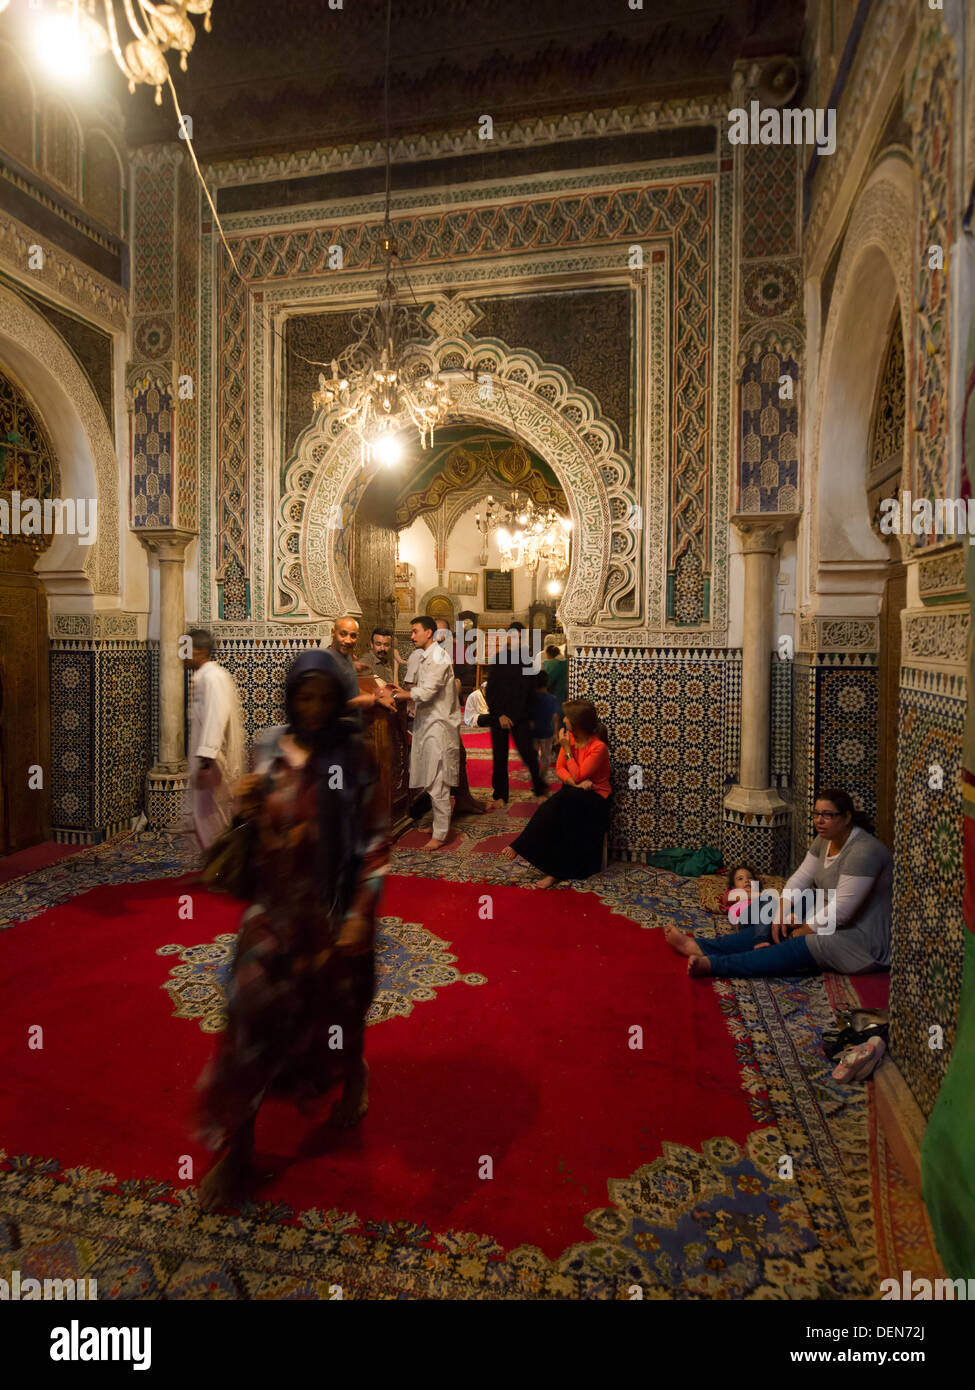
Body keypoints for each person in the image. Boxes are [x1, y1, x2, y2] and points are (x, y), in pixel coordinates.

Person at [195, 651, 389, 1211]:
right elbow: (255, 825)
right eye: (302, 697)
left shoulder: (354, 758)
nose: (311, 708)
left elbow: (374, 842)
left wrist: (358, 915)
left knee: (337, 1015)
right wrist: (249, 805)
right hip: (271, 915)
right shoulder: (270, 744)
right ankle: (238, 1149)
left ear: (336, 700)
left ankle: (354, 1075)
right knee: (248, 1019)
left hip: (330, 916)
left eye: (323, 698)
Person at [664, 788, 893, 979]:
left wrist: (802, 930)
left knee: (795, 943)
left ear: (846, 818)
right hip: (828, 917)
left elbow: (842, 910)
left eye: (828, 815)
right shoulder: (825, 840)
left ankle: (715, 965)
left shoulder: (863, 851)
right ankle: (702, 947)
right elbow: (800, 878)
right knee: (777, 919)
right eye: (816, 814)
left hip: (859, 940)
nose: (819, 821)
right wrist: (781, 912)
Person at [500, 699, 612, 889]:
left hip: (596, 798)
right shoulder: (571, 739)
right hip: (575, 792)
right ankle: (551, 867)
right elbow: (560, 769)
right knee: (557, 807)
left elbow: (578, 773)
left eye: (567, 717)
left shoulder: (598, 747)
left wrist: (567, 749)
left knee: (557, 802)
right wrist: (574, 784)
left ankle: (522, 847)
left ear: (577, 723)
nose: (564, 720)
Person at [391, 616, 462, 849]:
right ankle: (437, 824)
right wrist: (400, 690)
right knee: (431, 778)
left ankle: (440, 834)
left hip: (439, 728)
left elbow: (428, 692)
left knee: (437, 781)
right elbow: (418, 688)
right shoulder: (425, 656)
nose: (411, 636)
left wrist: (396, 696)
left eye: (414, 631)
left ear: (428, 632)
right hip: (428, 726)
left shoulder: (439, 657)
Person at [184, 629, 245, 851]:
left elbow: (216, 717)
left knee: (213, 815)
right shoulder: (204, 676)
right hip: (207, 759)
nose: (182, 656)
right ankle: (215, 865)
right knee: (206, 814)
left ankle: (221, 868)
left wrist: (207, 759)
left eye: (186, 650)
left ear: (199, 651)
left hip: (213, 761)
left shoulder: (213, 677)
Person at [485, 622, 547, 806]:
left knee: (529, 755)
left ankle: (539, 789)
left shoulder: (527, 661)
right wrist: (499, 716)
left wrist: (530, 716)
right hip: (499, 718)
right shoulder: (498, 660)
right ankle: (500, 796)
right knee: (500, 758)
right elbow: (491, 692)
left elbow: (530, 692)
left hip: (520, 717)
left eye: (521, 637)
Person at [328, 616, 396, 715]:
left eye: (353, 636)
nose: (348, 640)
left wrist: (376, 699)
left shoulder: (346, 661)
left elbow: (353, 689)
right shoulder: (322, 659)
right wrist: (368, 700)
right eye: (343, 634)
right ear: (333, 632)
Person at [530, 669, 560, 775]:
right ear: (547, 683)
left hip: (532, 733)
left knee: (532, 757)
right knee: (546, 758)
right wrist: (556, 734)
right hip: (547, 732)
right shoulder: (552, 698)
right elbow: (556, 717)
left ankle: (536, 779)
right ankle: (541, 779)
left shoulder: (531, 698)